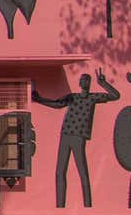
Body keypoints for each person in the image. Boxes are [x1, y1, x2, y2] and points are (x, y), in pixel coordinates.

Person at [34, 72, 119, 207]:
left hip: (79, 136)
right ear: (79, 83)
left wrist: (103, 83)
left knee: (82, 170)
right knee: (60, 171)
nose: (84, 81)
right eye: (82, 79)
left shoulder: (93, 98)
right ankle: (60, 205)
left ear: (89, 83)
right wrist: (40, 100)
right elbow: (57, 104)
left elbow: (116, 96)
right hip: (66, 134)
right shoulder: (72, 97)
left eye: (87, 80)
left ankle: (87, 205)